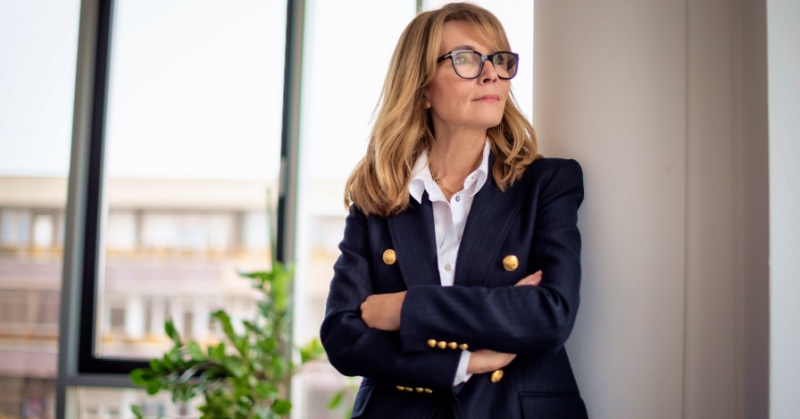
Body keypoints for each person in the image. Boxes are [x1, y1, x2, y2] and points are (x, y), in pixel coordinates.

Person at [320, 3, 587, 418]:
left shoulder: (548, 183)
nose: (491, 74)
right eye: (465, 59)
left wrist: (407, 310)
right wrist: (464, 362)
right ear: (423, 87)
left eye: (499, 60)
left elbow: (550, 314)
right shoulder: (378, 195)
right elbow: (343, 335)